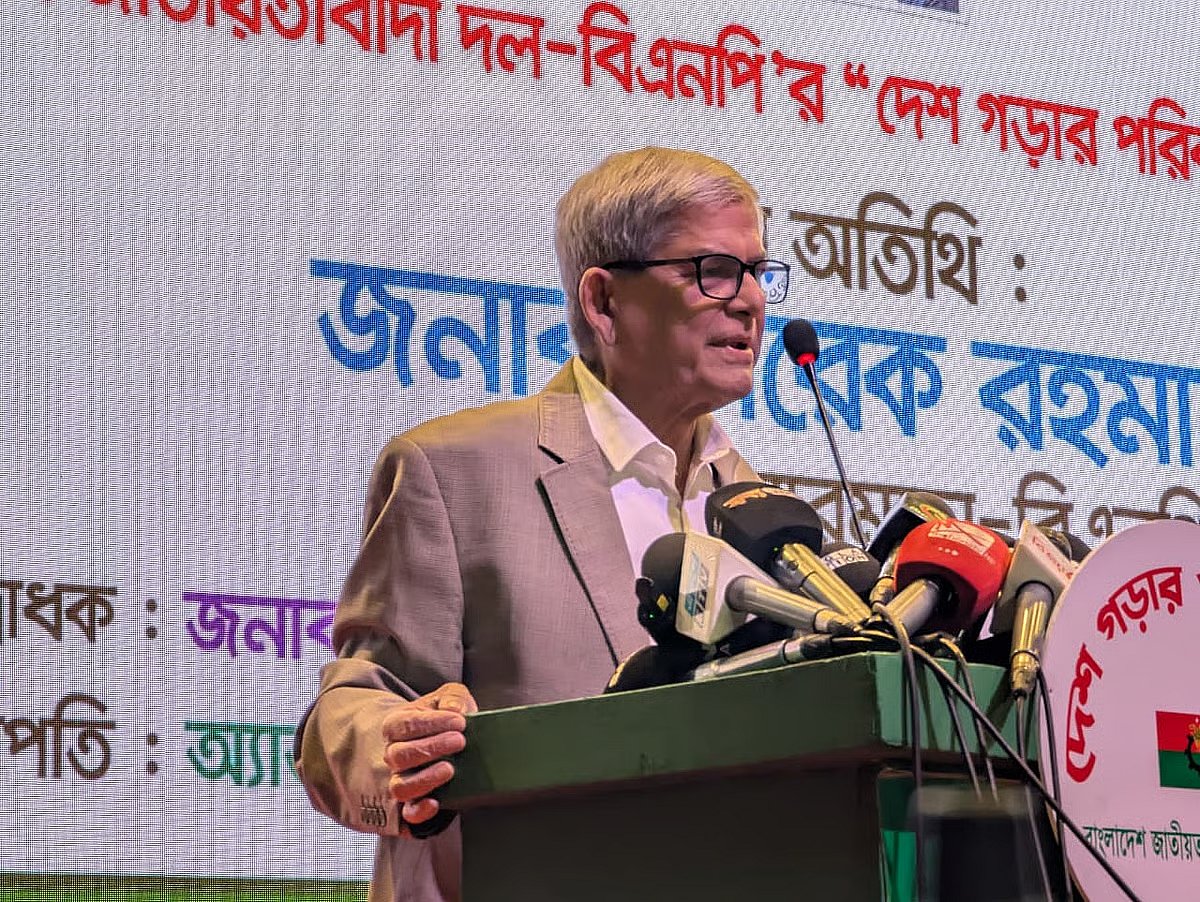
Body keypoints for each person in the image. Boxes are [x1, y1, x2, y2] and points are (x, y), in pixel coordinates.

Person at [295, 146, 791, 902]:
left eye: (758, 272)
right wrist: (391, 750)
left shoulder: (760, 511)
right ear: (603, 301)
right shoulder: (452, 470)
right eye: (713, 271)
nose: (750, 300)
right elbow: (350, 707)